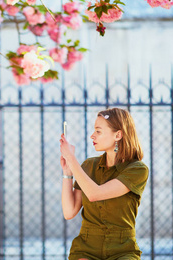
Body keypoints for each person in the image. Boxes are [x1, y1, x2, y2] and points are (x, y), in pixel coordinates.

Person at [59, 108, 149, 260]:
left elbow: (95, 194)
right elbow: (69, 212)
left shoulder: (137, 170)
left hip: (122, 249)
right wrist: (68, 173)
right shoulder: (89, 166)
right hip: (87, 248)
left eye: (98, 131)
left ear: (118, 135)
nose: (92, 136)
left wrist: (71, 158)